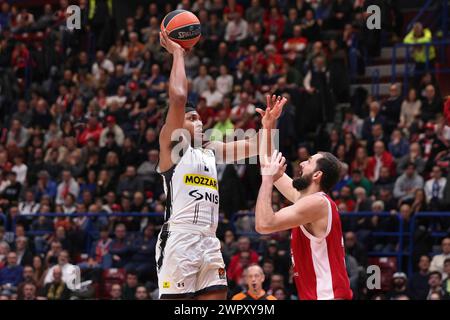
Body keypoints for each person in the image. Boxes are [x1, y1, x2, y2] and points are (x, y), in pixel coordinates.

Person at [155, 30, 286, 300]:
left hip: (209, 239)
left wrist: (269, 124)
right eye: (191, 118)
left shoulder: (210, 151)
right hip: (180, 237)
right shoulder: (172, 148)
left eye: (200, 117)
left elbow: (259, 146)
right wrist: (178, 54)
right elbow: (178, 99)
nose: (199, 121)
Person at [255, 150, 352, 300]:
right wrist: (268, 129)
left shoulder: (317, 203)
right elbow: (267, 161)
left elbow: (264, 224)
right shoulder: (306, 201)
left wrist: (267, 180)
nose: (301, 163)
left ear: (316, 175)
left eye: (309, 161)